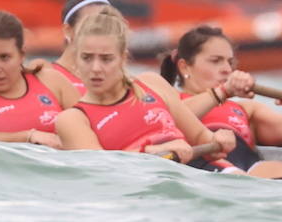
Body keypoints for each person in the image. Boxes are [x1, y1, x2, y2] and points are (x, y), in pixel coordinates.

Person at [54, 10, 222, 163]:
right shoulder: (72, 119)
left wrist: (220, 138)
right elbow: (101, 169)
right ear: (76, 59)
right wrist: (150, 150)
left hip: (194, 172)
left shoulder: (152, 83)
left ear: (122, 58)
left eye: (106, 59)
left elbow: (201, 136)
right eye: (87, 58)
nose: (96, 68)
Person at [155, 25, 282, 178]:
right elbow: (170, 121)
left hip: (247, 170)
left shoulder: (248, 109)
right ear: (184, 67)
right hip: (197, 169)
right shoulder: (168, 100)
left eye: (230, 62)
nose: (227, 69)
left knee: (278, 169)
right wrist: (223, 92)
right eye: (215, 61)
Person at [0, 10, 81, 147]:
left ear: (22, 55)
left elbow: (89, 124)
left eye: (4, 57)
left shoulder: (52, 81)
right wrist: (29, 136)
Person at [48, 0, 115, 97]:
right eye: (91, 25)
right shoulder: (46, 79)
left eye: (107, 24)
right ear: (68, 30)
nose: (102, 32)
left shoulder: (117, 81)